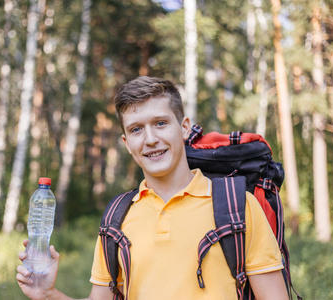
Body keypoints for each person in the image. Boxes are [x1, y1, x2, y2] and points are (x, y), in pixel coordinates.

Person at [16, 76, 289, 300]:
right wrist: (48, 294)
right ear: (126, 142)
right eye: (136, 129)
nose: (150, 139)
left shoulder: (237, 206)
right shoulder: (117, 217)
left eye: (160, 123)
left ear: (183, 128)